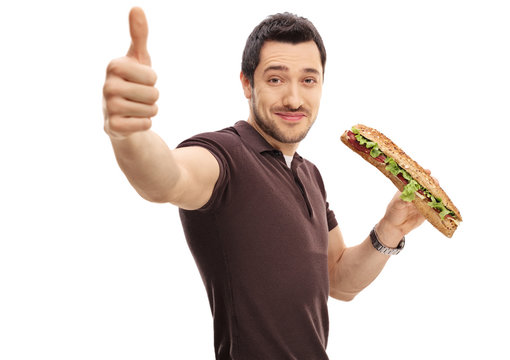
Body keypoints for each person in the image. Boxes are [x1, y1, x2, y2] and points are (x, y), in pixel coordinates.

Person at [103, 7, 427, 359]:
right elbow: (165, 178)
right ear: (246, 83)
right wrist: (130, 132)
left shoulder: (310, 174)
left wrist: (390, 230)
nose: (293, 98)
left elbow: (338, 280)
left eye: (308, 80)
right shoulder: (224, 155)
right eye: (275, 79)